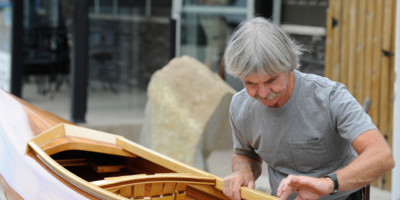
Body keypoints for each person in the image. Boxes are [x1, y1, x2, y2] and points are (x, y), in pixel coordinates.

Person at [222, 17, 395, 200]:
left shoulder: (330, 97)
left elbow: (382, 156)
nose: (263, 93)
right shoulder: (240, 106)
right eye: (251, 83)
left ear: (288, 65)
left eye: (271, 80)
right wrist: (242, 171)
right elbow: (245, 154)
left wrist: (327, 184)